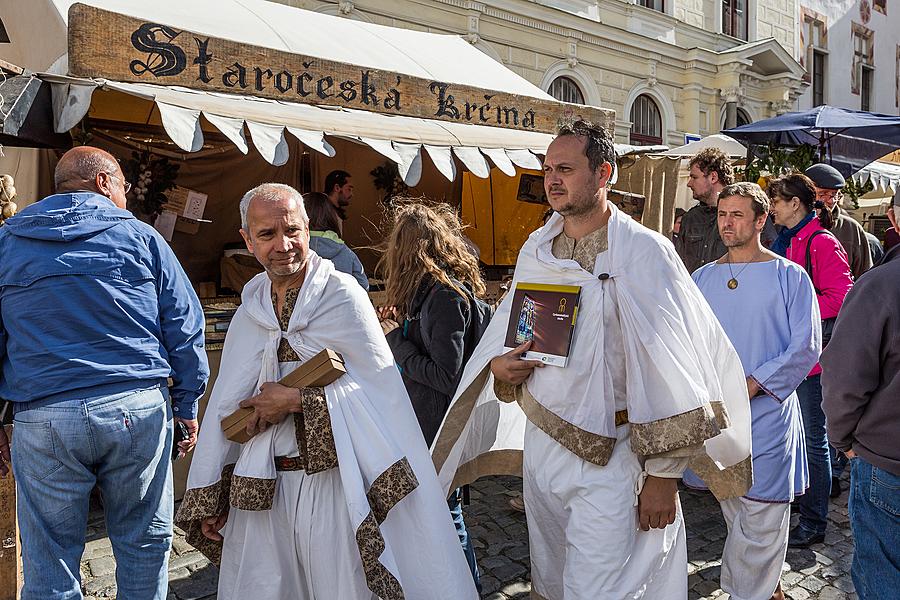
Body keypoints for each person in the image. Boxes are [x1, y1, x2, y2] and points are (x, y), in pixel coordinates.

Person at [430, 121, 753, 599]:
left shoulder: (645, 252)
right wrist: (502, 369)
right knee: (553, 578)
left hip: (617, 456)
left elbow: (673, 369)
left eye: (565, 168)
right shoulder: (536, 251)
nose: (552, 179)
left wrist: (663, 476)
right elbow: (514, 338)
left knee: (604, 589)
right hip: (545, 448)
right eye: (547, 169)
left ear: (604, 173)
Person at [175, 184, 477, 600]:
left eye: (293, 230)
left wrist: (298, 400)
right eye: (267, 235)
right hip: (262, 489)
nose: (283, 245)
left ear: (307, 230)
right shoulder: (250, 312)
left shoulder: (342, 296)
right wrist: (215, 490)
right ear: (247, 239)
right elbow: (227, 406)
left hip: (336, 488)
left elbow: (381, 398)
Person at [0, 146, 209, 599]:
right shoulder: (142, 238)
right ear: (103, 183)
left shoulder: (7, 241)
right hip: (135, 406)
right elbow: (185, 325)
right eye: (124, 188)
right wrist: (187, 404)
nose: (127, 199)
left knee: (49, 557)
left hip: (43, 413)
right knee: (143, 543)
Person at [685, 182, 820, 600]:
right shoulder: (702, 278)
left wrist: (753, 384)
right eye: (723, 214)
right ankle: (769, 588)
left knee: (763, 516)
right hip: (718, 417)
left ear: (761, 220)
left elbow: (806, 345)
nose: (727, 223)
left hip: (768, 415)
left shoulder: (789, 276)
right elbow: (689, 341)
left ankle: (751, 593)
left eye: (738, 215)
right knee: (733, 507)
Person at [376, 201, 489, 593]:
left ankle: (462, 588)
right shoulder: (428, 294)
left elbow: (445, 375)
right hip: (426, 422)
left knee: (445, 512)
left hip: (438, 427)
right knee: (439, 511)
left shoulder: (444, 297)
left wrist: (396, 340)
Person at [767, 173, 854, 548]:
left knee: (815, 441)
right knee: (799, 438)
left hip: (814, 361)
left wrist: (797, 311)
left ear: (795, 204)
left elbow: (843, 295)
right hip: (792, 356)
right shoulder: (788, 240)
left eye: (777, 201)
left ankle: (816, 522)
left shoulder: (820, 242)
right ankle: (807, 503)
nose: (771, 208)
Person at [822, 190, 900, 599]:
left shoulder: (881, 286)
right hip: (886, 457)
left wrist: (844, 441)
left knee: (884, 577)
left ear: (893, 219)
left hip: (888, 463)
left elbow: (843, 379)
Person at [804, 163, 873, 279]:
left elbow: (865, 276)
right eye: (823, 194)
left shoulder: (851, 229)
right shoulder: (787, 224)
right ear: (805, 192)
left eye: (834, 194)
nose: (831, 201)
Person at [303, 191, 368, 289]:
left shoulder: (292, 251)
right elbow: (364, 286)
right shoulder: (346, 253)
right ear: (331, 216)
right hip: (341, 303)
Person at [324, 169, 353, 233]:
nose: (351, 194)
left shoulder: (334, 211)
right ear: (337, 188)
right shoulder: (322, 212)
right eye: (349, 189)